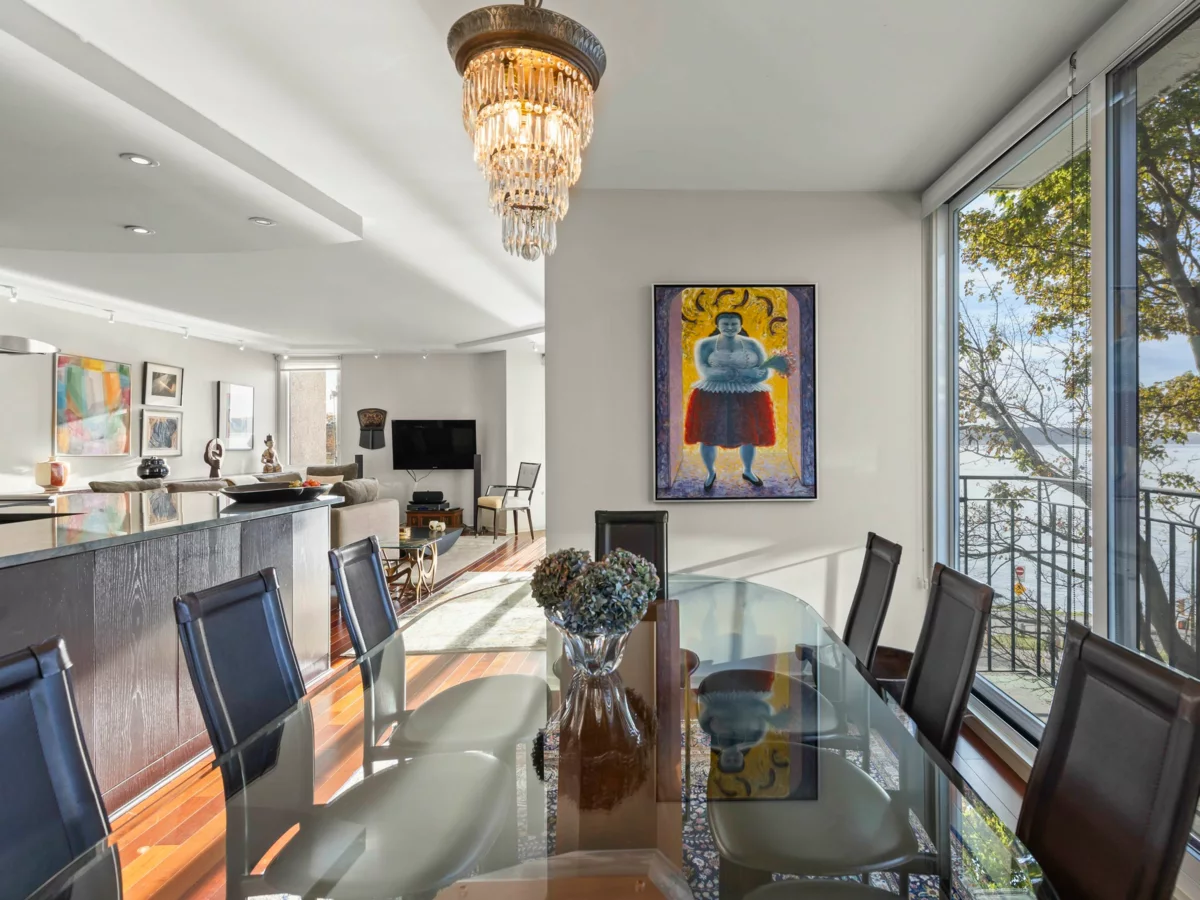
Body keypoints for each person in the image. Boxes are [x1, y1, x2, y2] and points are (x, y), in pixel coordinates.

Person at [684, 311, 776, 491]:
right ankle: (710, 472)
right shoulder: (704, 344)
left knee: (748, 434)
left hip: (748, 395)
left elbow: (765, 371)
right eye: (725, 324)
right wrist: (745, 373)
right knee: (708, 435)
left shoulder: (752, 344)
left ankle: (748, 471)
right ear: (717, 325)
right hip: (712, 395)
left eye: (734, 324)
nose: (730, 327)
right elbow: (705, 372)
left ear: (740, 325)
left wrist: (756, 375)